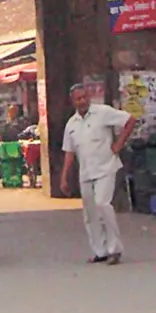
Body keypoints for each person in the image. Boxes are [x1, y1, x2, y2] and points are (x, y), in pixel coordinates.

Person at [61, 83, 135, 266]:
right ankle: (99, 250)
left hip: (106, 167)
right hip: (85, 172)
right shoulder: (72, 124)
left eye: (85, 97)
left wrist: (118, 145)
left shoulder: (102, 112)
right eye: (78, 99)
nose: (83, 101)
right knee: (90, 213)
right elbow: (69, 152)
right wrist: (64, 177)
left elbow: (130, 120)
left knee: (103, 204)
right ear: (73, 102)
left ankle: (114, 249)